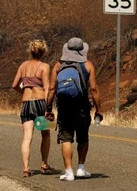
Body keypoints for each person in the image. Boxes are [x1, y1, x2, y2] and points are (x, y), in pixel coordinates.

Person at [46, 37, 102, 181]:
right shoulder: (88, 65)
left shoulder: (58, 66)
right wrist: (98, 109)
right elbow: (94, 89)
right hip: (82, 107)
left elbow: (52, 88)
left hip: (64, 107)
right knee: (83, 138)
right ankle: (81, 168)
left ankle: (69, 172)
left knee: (66, 138)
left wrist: (48, 108)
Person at [12, 39, 54, 177]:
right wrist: (49, 107)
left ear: (31, 51)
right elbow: (47, 87)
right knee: (45, 134)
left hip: (26, 103)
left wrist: (23, 92)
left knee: (27, 137)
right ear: (43, 52)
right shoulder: (44, 66)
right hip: (40, 102)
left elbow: (14, 85)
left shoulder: (23, 65)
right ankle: (44, 164)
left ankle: (26, 168)